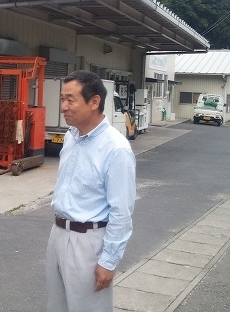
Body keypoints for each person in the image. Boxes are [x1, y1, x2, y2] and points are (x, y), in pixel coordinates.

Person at [46, 70, 136, 312]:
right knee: (56, 307)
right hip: (58, 234)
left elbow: (121, 213)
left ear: (94, 102)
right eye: (62, 99)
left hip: (88, 243)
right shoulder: (71, 137)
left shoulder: (115, 149)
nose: (63, 106)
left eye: (70, 100)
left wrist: (108, 261)